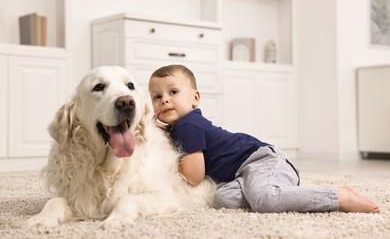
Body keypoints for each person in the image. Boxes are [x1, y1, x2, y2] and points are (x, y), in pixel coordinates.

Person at [148, 64, 380, 214]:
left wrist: (165, 144)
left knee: (265, 200)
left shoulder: (189, 124)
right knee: (222, 199)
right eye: (157, 97)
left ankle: (339, 197)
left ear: (195, 98)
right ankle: (282, 191)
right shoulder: (181, 128)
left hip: (261, 161)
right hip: (242, 174)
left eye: (173, 92)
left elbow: (194, 176)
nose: (165, 100)